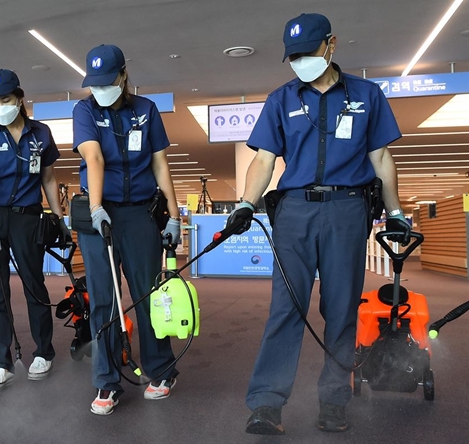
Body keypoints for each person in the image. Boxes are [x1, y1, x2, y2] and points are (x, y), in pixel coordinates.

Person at [226, 13, 411, 434]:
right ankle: (267, 404)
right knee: (285, 307)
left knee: (341, 308)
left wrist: (395, 212)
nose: (300, 63)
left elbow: (381, 158)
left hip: (348, 209)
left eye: (308, 53)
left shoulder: (367, 94)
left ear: (331, 44)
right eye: (293, 57)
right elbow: (264, 159)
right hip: (294, 211)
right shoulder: (281, 99)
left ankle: (333, 400)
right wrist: (245, 204)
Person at [72, 44, 182, 415]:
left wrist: (174, 214)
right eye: (95, 83)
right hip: (98, 214)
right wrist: (97, 206)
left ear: (123, 76)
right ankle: (107, 381)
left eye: (107, 81)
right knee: (103, 298)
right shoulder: (84, 110)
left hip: (138, 214)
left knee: (148, 294)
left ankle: (161, 370)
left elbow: (160, 165)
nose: (100, 89)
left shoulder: (146, 110)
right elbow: (94, 157)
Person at [0, 69, 69, 392]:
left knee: (34, 286)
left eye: (5, 100)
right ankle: (2, 362)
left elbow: (49, 179)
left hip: (29, 218)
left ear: (20, 99)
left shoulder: (41, 133)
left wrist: (59, 218)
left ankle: (44, 351)